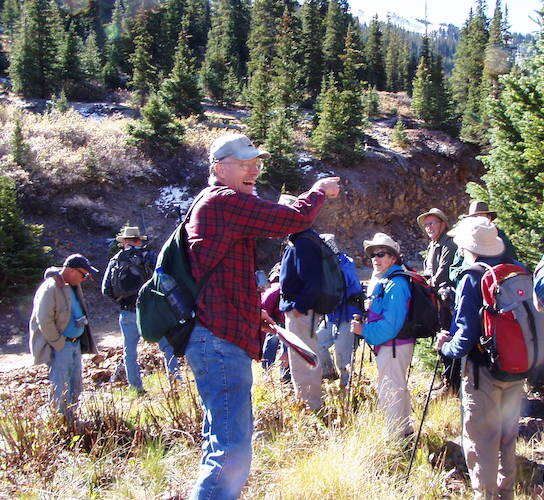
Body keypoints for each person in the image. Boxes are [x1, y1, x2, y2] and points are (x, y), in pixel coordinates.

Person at [182, 133, 340, 499]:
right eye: (245, 163)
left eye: (257, 163)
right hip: (219, 341)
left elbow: (223, 278)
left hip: (216, 337)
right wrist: (317, 191)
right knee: (232, 449)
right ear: (219, 169)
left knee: (219, 438)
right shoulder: (224, 202)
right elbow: (293, 218)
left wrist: (255, 312)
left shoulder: (216, 204)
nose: (254, 169)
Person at [435, 216, 525, 500]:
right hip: (516, 368)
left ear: (468, 247)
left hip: (482, 371)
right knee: (507, 436)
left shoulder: (472, 277)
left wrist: (445, 348)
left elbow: (464, 336)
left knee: (480, 440)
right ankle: (506, 493)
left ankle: (484, 495)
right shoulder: (516, 271)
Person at [102, 225, 180, 393]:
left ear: (123, 242)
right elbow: (164, 278)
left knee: (129, 351)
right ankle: (176, 384)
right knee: (167, 346)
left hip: (127, 311)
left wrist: (121, 300)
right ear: (138, 241)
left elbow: (105, 289)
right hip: (150, 310)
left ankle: (136, 388)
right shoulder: (149, 256)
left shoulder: (115, 260)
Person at [350, 233, 413, 438]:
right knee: (397, 386)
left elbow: (390, 326)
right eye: (373, 255)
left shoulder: (396, 284)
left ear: (393, 258)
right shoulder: (388, 281)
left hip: (393, 345)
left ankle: (395, 439)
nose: (376, 259)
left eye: (381, 254)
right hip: (393, 345)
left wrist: (364, 331)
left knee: (390, 389)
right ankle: (404, 431)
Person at [29, 254, 98, 418]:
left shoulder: (71, 285)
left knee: (75, 385)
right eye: (84, 274)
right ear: (71, 271)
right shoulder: (50, 288)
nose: (85, 278)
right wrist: (58, 343)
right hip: (61, 346)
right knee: (60, 387)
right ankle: (60, 422)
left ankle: (72, 419)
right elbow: (44, 320)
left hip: (74, 344)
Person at [278, 197, 325, 410]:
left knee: (303, 360)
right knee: (302, 358)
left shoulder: (302, 242)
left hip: (301, 313)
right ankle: (308, 404)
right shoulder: (304, 239)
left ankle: (311, 407)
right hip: (303, 311)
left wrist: (299, 307)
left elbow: (313, 281)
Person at [417, 207, 459, 395]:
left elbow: (442, 273)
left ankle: (452, 382)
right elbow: (429, 272)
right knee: (441, 336)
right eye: (426, 225)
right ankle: (447, 379)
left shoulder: (448, 243)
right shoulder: (433, 245)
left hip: (447, 299)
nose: (428, 227)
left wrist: (424, 284)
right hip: (437, 299)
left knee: (447, 336)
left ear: (442, 224)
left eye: (432, 223)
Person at [316, 234, 364, 387]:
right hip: (333, 316)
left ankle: (347, 389)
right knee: (316, 342)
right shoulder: (328, 266)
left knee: (342, 356)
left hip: (348, 315)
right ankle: (329, 373)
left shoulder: (343, 265)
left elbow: (344, 289)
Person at [449, 201, 518, 285]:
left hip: (497, 287)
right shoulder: (466, 239)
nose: (477, 219)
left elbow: (512, 262)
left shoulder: (500, 237)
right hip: (471, 284)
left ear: (489, 218)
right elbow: (454, 269)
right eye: (474, 217)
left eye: (480, 216)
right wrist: (465, 275)